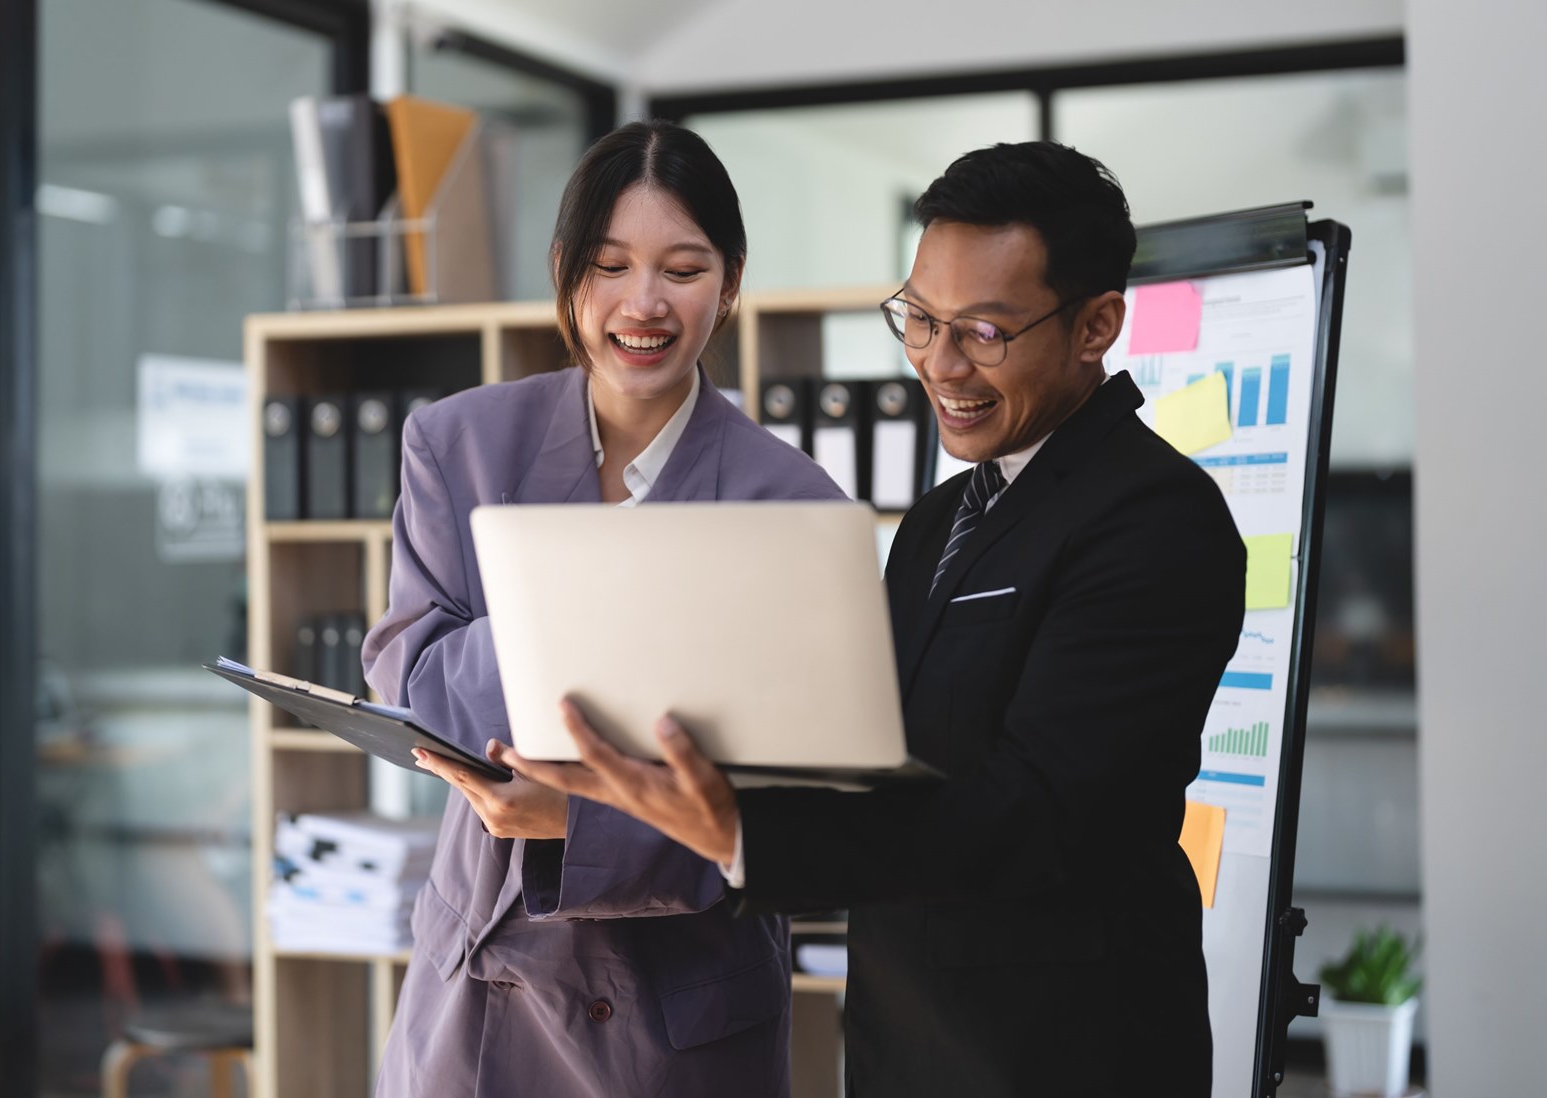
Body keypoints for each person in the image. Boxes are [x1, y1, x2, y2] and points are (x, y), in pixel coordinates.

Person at [504, 141, 1247, 1098]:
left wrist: (740, 832)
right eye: (921, 320)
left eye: (984, 331)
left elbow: (1039, 817)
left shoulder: (1155, 520)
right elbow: (875, 758)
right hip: (908, 1044)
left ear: (1098, 324)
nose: (940, 364)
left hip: (1063, 1055)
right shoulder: (941, 515)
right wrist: (642, 788)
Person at [361, 119, 844, 1098]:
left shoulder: (793, 508)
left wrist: (576, 819)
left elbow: (804, 814)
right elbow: (413, 682)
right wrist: (600, 591)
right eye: (611, 264)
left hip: (684, 1019)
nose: (644, 303)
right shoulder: (459, 444)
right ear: (565, 270)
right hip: (483, 1000)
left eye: (683, 267)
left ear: (733, 280)